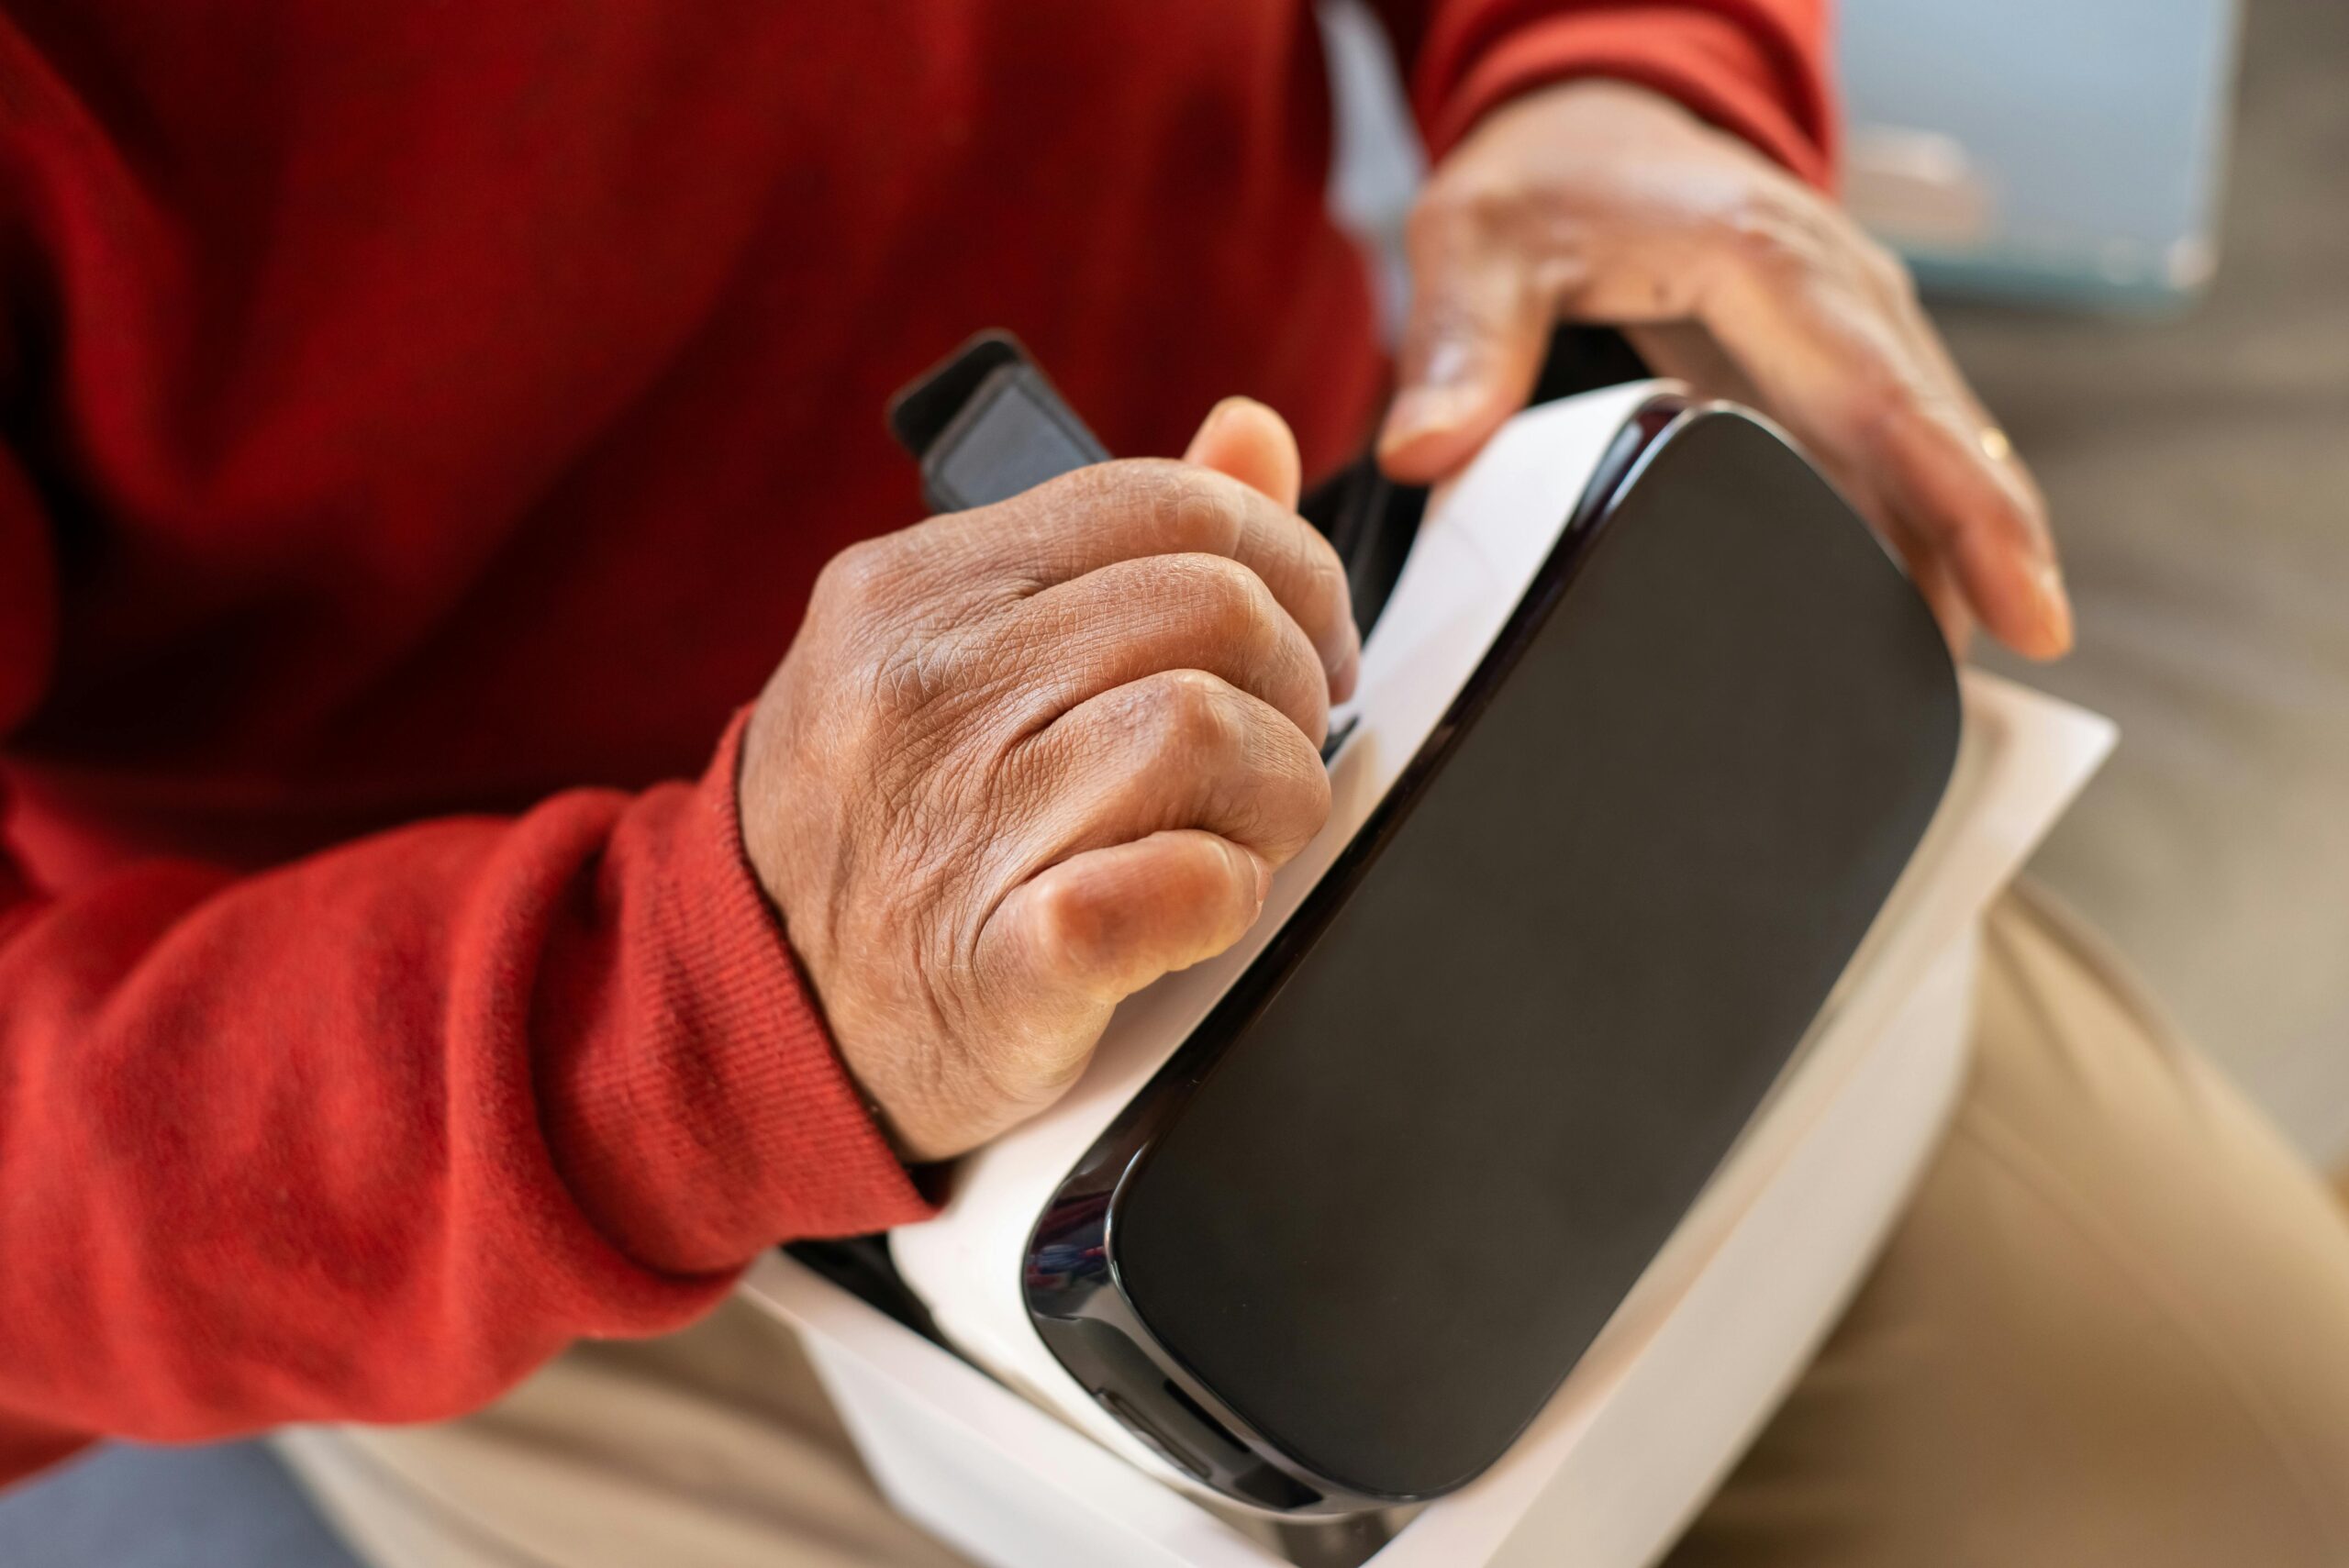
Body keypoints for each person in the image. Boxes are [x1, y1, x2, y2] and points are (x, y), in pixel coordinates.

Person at [1, 3, 2344, 1564]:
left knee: (2262, 1462)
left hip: (1405, 663)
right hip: (509, 1120)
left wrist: (1603, 71)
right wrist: (702, 1010)